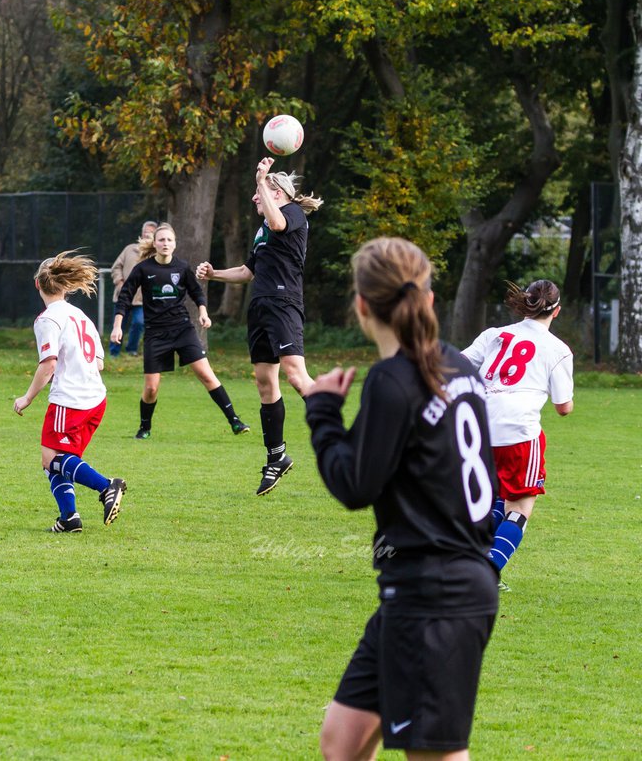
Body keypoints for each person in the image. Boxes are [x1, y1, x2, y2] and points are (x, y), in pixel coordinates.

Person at [305, 237, 498, 761]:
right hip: (419, 589)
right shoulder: (460, 367)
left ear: (362, 305)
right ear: (429, 299)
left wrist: (322, 414)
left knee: (435, 755)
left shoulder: (394, 379)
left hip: (436, 595)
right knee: (342, 741)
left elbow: (355, 486)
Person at [197, 157, 324, 495]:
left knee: (296, 375)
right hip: (261, 307)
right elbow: (247, 272)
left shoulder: (292, 214)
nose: (255, 197)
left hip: (284, 304)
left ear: (278, 192)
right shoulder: (262, 230)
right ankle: (276, 458)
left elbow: (279, 222)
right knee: (265, 382)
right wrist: (214, 275)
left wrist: (261, 179)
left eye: (261, 192)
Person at [461, 279, 573, 589]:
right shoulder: (558, 350)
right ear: (557, 311)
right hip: (518, 432)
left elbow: (457, 364)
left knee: (497, 496)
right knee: (520, 508)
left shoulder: (495, 335)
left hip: (478, 428)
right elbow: (563, 407)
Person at [13, 251, 127, 533]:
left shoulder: (47, 319)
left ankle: (106, 487)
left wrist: (27, 397)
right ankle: (69, 519)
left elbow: (49, 364)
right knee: (60, 461)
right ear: (65, 286)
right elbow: (98, 363)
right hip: (96, 399)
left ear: (37, 284)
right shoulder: (81, 316)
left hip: (71, 400)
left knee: (52, 460)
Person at [110, 222, 248, 440]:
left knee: (206, 374)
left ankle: (235, 421)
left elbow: (197, 292)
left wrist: (203, 313)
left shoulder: (182, 268)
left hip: (183, 329)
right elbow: (124, 298)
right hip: (155, 334)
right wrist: (117, 326)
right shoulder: (143, 269)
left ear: (175, 244)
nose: (165, 243)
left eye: (169, 240)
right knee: (151, 389)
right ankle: (145, 427)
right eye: (161, 240)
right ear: (154, 244)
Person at [109, 220, 157, 357]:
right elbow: (116, 267)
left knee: (139, 322)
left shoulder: (155, 256)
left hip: (142, 299)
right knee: (118, 324)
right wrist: (119, 282)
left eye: (151, 233)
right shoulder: (129, 249)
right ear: (141, 234)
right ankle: (114, 353)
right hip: (122, 296)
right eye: (146, 232)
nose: (147, 235)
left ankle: (131, 350)